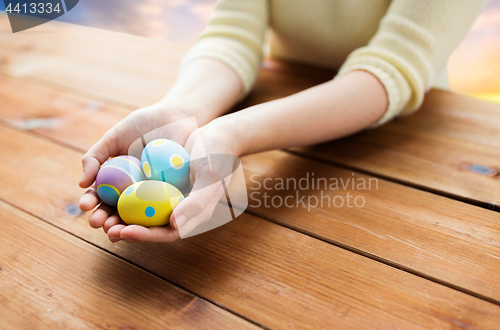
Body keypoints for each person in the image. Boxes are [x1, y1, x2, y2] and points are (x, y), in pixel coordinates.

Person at [79, 0, 487, 243]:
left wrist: (232, 132)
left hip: (411, 151)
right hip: (283, 104)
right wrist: (182, 109)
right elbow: (232, 35)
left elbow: (393, 68)